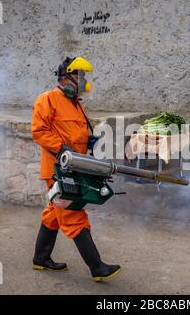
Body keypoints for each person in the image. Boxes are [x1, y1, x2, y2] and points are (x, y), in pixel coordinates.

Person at [31, 56, 121, 281]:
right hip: (57, 169)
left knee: (54, 214)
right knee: (73, 214)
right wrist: (62, 149)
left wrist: (87, 141)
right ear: (66, 77)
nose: (83, 81)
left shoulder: (76, 103)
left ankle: (40, 259)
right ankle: (97, 267)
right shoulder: (48, 99)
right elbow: (39, 131)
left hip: (75, 167)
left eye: (84, 77)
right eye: (80, 76)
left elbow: (74, 133)